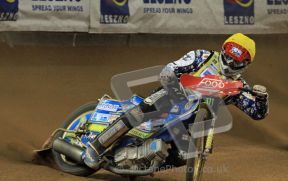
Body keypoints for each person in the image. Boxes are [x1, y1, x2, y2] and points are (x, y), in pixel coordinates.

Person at [83, 33, 269, 169]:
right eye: (228, 57)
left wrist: (262, 98)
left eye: (236, 62)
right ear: (222, 51)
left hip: (191, 120)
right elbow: (169, 70)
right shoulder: (201, 57)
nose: (230, 63)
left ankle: (142, 164)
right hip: (171, 97)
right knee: (142, 110)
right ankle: (94, 147)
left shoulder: (237, 85)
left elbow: (257, 113)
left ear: (246, 64)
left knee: (184, 155)